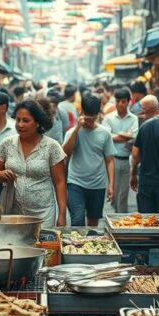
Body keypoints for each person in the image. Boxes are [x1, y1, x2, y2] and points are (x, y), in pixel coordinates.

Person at [0, 100, 67, 227]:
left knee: (41, 245)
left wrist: (62, 215)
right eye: (18, 120)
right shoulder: (6, 144)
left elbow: (60, 182)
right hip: (12, 213)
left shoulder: (52, 147)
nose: (20, 125)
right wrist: (2, 174)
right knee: (12, 246)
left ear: (37, 123)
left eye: (26, 120)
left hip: (43, 215)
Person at [63, 94, 116, 225]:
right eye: (87, 119)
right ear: (81, 112)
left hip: (98, 184)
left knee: (93, 221)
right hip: (75, 183)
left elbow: (109, 160)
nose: (89, 122)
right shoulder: (72, 132)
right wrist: (77, 129)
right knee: (77, 219)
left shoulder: (104, 133)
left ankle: (89, 244)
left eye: (92, 119)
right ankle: (76, 245)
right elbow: (65, 153)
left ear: (98, 114)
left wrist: (111, 184)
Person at [104, 88, 140, 214]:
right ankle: (117, 215)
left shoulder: (134, 119)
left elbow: (135, 136)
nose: (120, 104)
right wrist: (126, 135)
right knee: (113, 193)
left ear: (128, 102)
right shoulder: (109, 118)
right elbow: (106, 137)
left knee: (123, 195)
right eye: (118, 101)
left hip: (127, 160)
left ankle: (120, 221)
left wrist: (116, 135)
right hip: (112, 160)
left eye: (123, 101)